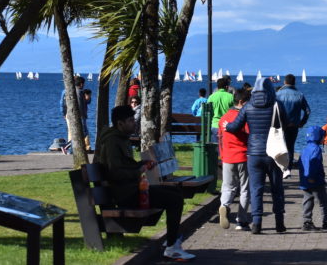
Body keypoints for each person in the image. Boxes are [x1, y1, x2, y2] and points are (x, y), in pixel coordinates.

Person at [95, 105, 195, 261]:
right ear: (120, 124)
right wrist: (139, 169)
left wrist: (141, 163)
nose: (134, 123)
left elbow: (124, 165)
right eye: (130, 121)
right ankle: (171, 247)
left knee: (175, 193)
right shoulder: (112, 142)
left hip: (131, 189)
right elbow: (115, 172)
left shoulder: (120, 139)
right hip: (125, 194)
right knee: (174, 200)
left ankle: (172, 242)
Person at [226, 77, 289, 234]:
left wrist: (227, 126)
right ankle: (279, 223)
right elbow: (286, 124)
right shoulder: (277, 105)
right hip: (274, 153)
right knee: (277, 188)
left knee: (256, 189)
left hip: (254, 153)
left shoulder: (248, 106)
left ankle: (257, 223)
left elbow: (234, 127)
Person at [217, 88, 252, 231]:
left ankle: (224, 205)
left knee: (228, 186)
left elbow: (219, 137)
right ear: (241, 102)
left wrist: (222, 154)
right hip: (243, 155)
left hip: (228, 157)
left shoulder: (224, 117)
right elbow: (250, 134)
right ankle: (241, 221)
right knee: (245, 189)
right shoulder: (244, 118)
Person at [298, 125, 327, 231]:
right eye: (323, 137)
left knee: (307, 200)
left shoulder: (305, 149)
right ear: (318, 137)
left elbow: (300, 163)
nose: (324, 139)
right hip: (316, 180)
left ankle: (307, 221)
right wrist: (312, 176)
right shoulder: (317, 149)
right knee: (323, 201)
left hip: (305, 180)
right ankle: (325, 220)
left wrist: (304, 177)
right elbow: (314, 163)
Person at [275, 73, 311, 168]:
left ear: (284, 82)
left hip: (279, 126)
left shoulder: (278, 94)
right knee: (290, 147)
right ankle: (288, 169)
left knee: (279, 147)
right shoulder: (299, 95)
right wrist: (302, 122)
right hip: (293, 125)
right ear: (294, 83)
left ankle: (280, 169)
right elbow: (307, 111)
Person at [60, 75, 89, 153]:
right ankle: (67, 147)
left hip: (71, 114)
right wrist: (83, 115)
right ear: (81, 84)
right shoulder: (79, 92)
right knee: (83, 132)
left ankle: (70, 148)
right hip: (79, 115)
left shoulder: (71, 91)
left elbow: (62, 103)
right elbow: (80, 104)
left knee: (77, 132)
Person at [207, 76, 234, 143]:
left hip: (214, 125)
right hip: (226, 125)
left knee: (216, 146)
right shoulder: (230, 97)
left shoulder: (211, 97)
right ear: (227, 87)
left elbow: (208, 111)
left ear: (218, 87)